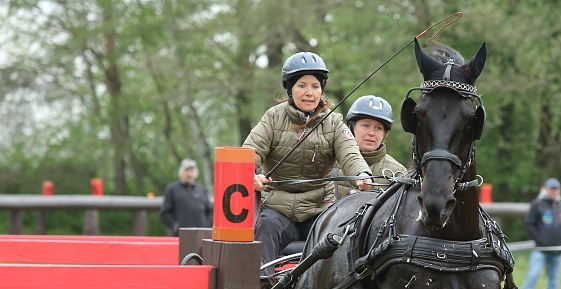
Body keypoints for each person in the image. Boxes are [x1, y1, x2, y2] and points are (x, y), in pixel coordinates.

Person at [243, 52, 371, 273]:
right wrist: (251, 176)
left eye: (315, 86)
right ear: (290, 89)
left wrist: (362, 174)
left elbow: (351, 154)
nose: (309, 93)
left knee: (344, 237)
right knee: (264, 229)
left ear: (322, 90)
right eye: (302, 85)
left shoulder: (334, 122)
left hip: (319, 210)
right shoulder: (273, 117)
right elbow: (248, 155)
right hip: (278, 211)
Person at [334, 95, 406, 199]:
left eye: (378, 128)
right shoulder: (329, 162)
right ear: (352, 127)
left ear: (384, 133)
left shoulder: (398, 174)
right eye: (366, 126)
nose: (371, 133)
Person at [519, 178, 561, 289]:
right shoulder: (537, 205)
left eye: (556, 189)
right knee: (533, 276)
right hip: (541, 249)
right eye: (551, 189)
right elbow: (529, 224)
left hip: (558, 251)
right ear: (546, 189)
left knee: (554, 281)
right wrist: (539, 239)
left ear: (559, 190)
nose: (553, 192)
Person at [160, 159, 212, 236]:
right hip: (180, 236)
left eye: (192, 171)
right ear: (180, 173)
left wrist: (205, 225)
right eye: (186, 171)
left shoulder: (201, 189)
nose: (189, 174)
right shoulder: (172, 189)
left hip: (200, 235)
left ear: (196, 173)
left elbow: (209, 211)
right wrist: (175, 226)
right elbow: (165, 212)